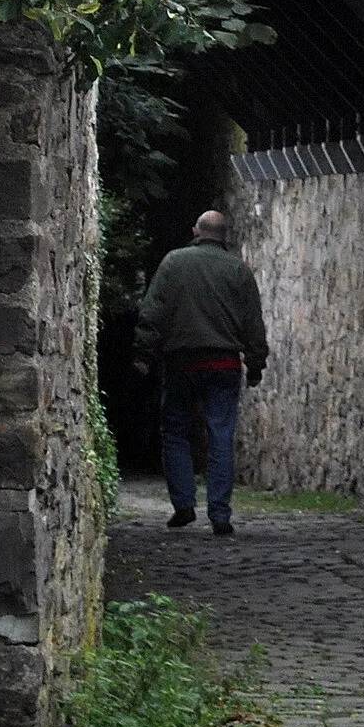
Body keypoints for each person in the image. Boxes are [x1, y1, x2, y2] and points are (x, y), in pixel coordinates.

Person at [133, 210, 269, 536]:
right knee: (220, 435)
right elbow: (253, 323)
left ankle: (183, 505)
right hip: (224, 365)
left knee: (175, 432)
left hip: (181, 363)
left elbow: (154, 310)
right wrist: (255, 364)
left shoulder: (173, 263)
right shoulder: (239, 270)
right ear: (225, 235)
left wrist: (143, 354)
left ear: (196, 231)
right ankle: (219, 513)